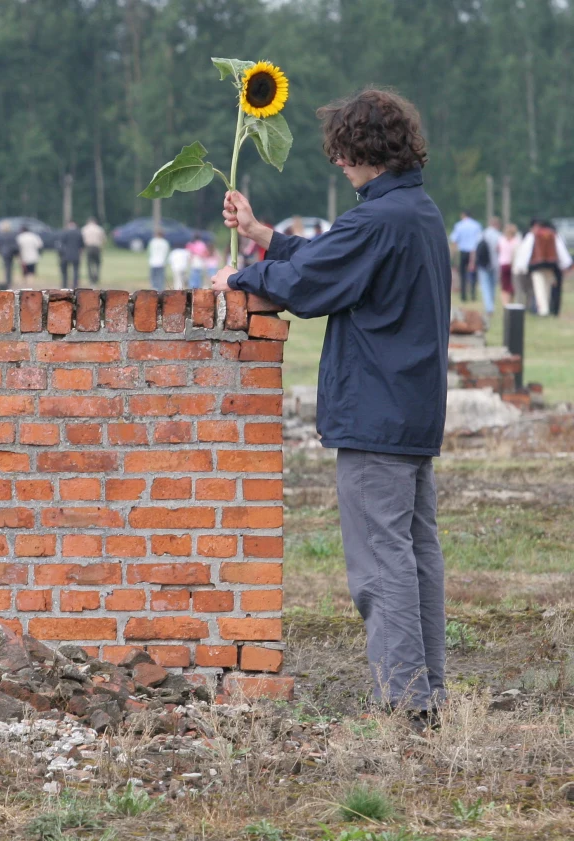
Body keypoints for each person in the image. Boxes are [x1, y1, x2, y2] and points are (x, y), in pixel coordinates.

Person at [211, 88, 450, 727]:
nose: (339, 165)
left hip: (375, 414)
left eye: (343, 153)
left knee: (380, 565)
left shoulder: (377, 220)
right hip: (412, 412)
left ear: (365, 151)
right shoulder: (416, 211)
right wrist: (263, 236)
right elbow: (331, 259)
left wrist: (240, 277)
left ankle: (404, 704)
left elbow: (310, 284)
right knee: (415, 554)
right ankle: (429, 693)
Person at [513, 219, 572, 316]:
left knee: (539, 288)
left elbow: (525, 252)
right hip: (551, 266)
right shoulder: (553, 235)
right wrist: (566, 264)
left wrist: (521, 266)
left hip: (537, 266)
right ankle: (548, 308)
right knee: (548, 287)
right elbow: (561, 251)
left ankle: (543, 310)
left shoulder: (533, 235)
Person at [449, 210, 482, 303]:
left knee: (462, 274)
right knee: (473, 273)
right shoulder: (476, 225)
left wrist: (453, 255)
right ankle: (473, 294)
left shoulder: (459, 225)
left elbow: (454, 240)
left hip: (463, 251)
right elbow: (479, 240)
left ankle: (463, 295)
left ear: (463, 215)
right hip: (474, 252)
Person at [474, 216, 501, 318]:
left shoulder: (482, 234)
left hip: (483, 264)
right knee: (492, 286)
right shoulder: (499, 235)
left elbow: (476, 249)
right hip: (495, 264)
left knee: (485, 285)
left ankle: (488, 307)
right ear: (497, 225)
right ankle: (491, 305)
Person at [498, 222, 520, 308]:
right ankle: (510, 302)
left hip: (504, 264)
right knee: (512, 286)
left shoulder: (502, 240)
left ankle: (505, 303)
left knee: (504, 287)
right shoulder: (516, 241)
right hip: (513, 265)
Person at [56, 221, 84, 289]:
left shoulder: (65, 233)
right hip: (75, 254)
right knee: (76, 270)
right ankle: (75, 285)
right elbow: (82, 245)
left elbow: (60, 244)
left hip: (65, 255)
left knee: (64, 271)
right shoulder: (79, 233)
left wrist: (60, 254)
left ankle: (64, 285)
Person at [81, 217, 106, 285]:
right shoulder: (99, 229)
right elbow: (103, 239)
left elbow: (82, 239)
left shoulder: (84, 229)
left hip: (88, 247)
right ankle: (96, 277)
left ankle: (91, 278)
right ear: (95, 222)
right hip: (97, 247)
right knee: (97, 263)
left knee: (89, 264)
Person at [0, 220, 17, 289]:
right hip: (11, 253)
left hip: (4, 253)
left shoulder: (0, 235)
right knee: (9, 267)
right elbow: (15, 244)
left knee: (6, 267)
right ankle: (9, 280)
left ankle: (7, 280)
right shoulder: (12, 234)